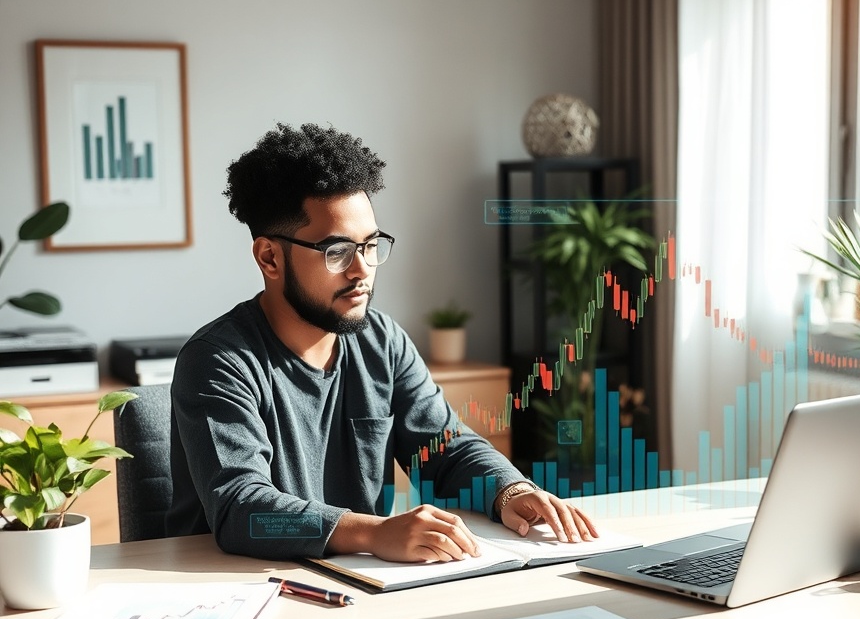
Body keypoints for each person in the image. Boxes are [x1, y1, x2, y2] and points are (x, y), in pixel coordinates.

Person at [168, 123, 598, 562]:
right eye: (337, 251)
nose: (362, 270)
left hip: (362, 581)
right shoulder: (218, 361)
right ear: (270, 258)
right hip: (239, 588)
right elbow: (243, 510)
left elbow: (446, 449)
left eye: (370, 245)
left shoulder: (382, 340)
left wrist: (510, 489)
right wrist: (373, 533)